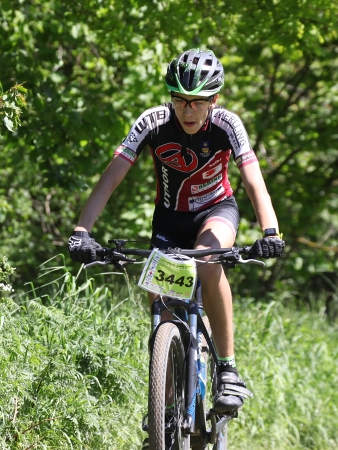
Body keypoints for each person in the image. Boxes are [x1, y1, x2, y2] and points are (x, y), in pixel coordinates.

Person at [67, 48, 285, 413]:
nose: (188, 110)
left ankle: (228, 369)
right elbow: (110, 179)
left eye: (197, 102)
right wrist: (82, 231)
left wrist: (271, 231)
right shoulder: (152, 121)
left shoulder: (227, 125)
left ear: (214, 100)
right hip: (170, 220)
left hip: (216, 211)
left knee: (208, 262)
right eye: (180, 100)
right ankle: (166, 412)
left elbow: (253, 181)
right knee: (161, 309)